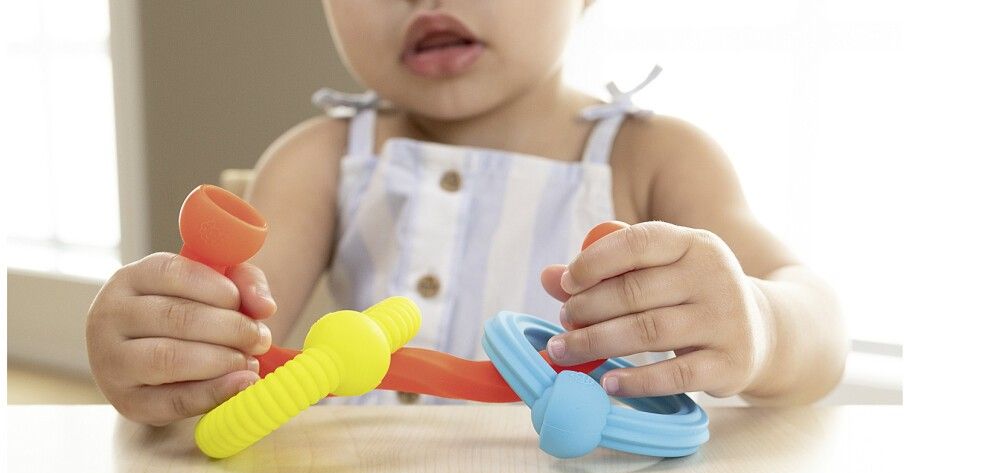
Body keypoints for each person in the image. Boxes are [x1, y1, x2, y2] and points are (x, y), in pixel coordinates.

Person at [86, 0, 847, 426]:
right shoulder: (320, 158)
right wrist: (159, 341)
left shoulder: (656, 159)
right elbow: (227, 349)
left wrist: (762, 320)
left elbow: (818, 319)